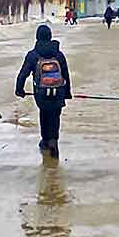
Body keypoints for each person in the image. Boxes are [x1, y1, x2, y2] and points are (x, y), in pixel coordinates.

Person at [15, 24, 72, 160]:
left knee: (44, 114)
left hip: (41, 93)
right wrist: (67, 92)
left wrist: (19, 89)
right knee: (55, 116)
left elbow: (23, 74)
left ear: (37, 37)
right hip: (58, 91)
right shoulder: (58, 54)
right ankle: (54, 141)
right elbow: (65, 73)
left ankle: (45, 140)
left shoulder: (33, 55)